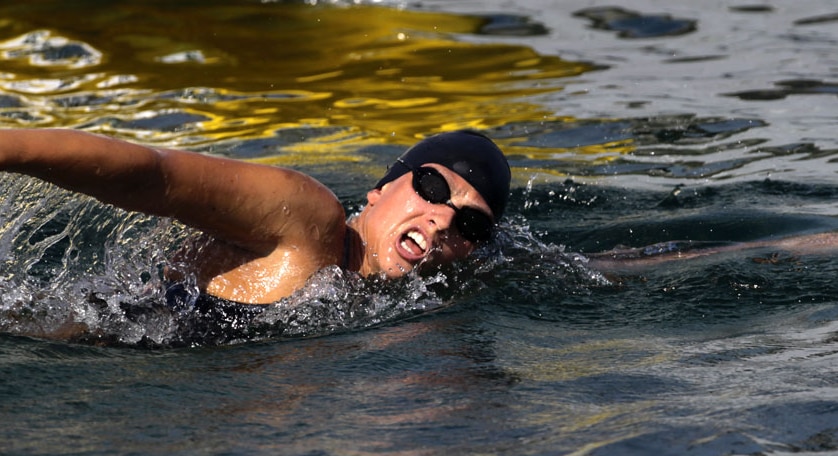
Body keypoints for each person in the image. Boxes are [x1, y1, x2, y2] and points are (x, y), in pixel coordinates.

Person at [0, 128, 512, 311]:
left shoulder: (396, 302)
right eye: (433, 187)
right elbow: (154, 175)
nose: (443, 218)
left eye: (472, 224)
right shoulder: (308, 220)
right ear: (380, 190)